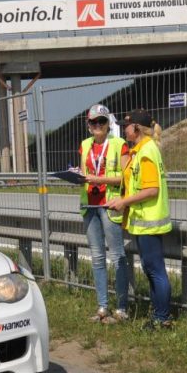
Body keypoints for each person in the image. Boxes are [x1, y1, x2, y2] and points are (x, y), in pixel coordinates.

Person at [106, 109, 173, 330]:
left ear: (136, 128)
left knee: (155, 270)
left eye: (126, 126)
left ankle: (162, 318)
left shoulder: (146, 152)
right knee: (151, 269)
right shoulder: (141, 150)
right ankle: (158, 316)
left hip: (149, 221)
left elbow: (151, 189)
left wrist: (125, 202)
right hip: (144, 220)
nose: (124, 130)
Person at [78, 104, 131, 323]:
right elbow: (84, 173)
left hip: (110, 205)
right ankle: (102, 307)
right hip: (89, 206)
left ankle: (122, 308)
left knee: (117, 256)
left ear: (109, 124)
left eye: (102, 121)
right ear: (88, 125)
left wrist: (99, 180)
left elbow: (126, 178)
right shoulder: (84, 145)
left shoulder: (120, 145)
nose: (98, 126)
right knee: (97, 258)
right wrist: (76, 177)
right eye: (94, 122)